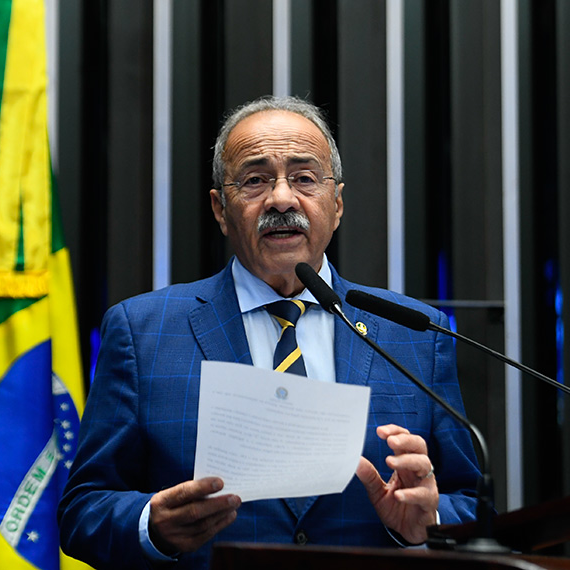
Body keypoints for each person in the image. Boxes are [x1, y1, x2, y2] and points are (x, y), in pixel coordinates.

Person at [58, 95, 482, 569]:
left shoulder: (415, 333)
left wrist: (424, 525)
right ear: (221, 209)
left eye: (304, 178)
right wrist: (151, 525)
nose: (281, 199)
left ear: (336, 204)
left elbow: (470, 503)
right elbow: (82, 511)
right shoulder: (143, 331)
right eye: (256, 180)